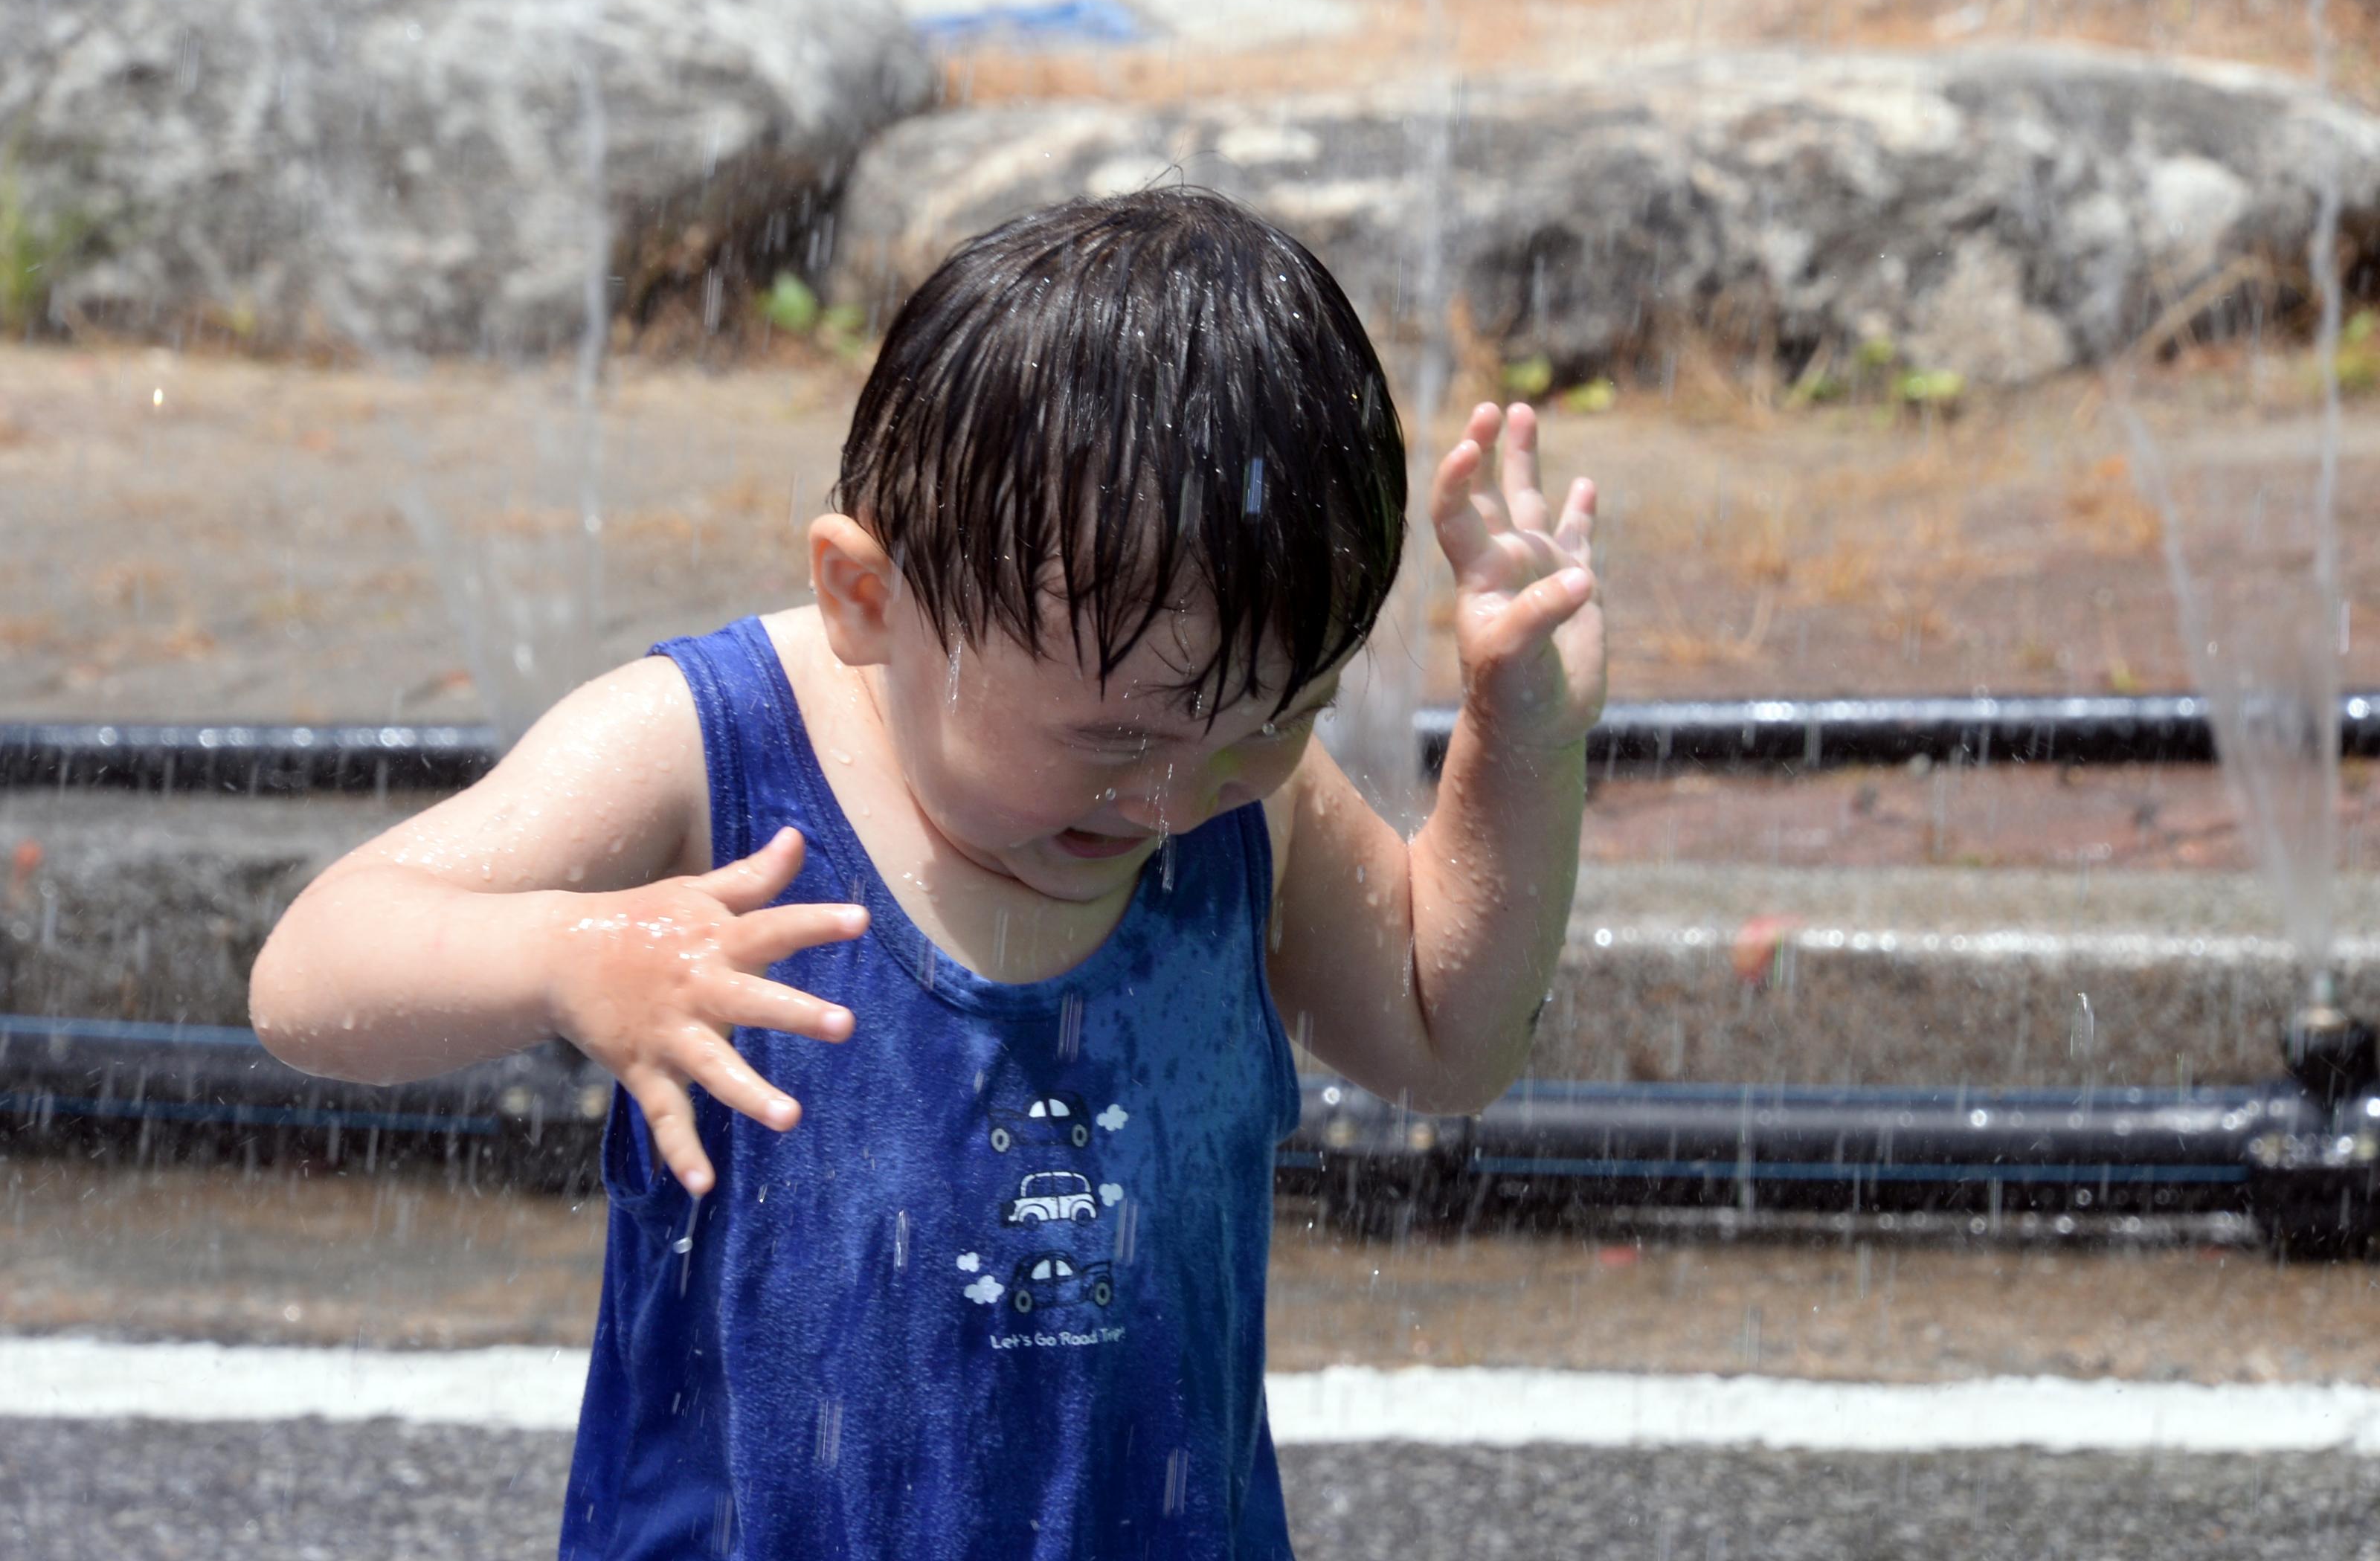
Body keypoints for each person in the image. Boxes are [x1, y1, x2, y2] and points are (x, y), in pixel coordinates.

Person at [249, 187, 1605, 1560]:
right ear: (868, 603)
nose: (1170, 802)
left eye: (1278, 722)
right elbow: (315, 967)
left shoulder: (1239, 802)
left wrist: (1523, 731)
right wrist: (564, 954)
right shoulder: (703, 754)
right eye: (1114, 740)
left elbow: (1446, 1039)